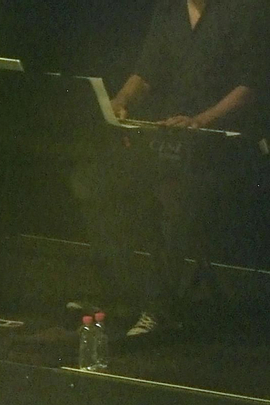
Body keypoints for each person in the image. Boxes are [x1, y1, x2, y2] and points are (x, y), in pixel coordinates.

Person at [70, 0, 264, 337]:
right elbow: (146, 72)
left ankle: (159, 308)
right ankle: (124, 295)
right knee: (94, 183)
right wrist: (120, 102)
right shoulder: (169, 10)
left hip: (224, 146)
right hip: (171, 137)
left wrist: (200, 121)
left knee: (176, 198)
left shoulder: (247, 10)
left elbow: (252, 86)